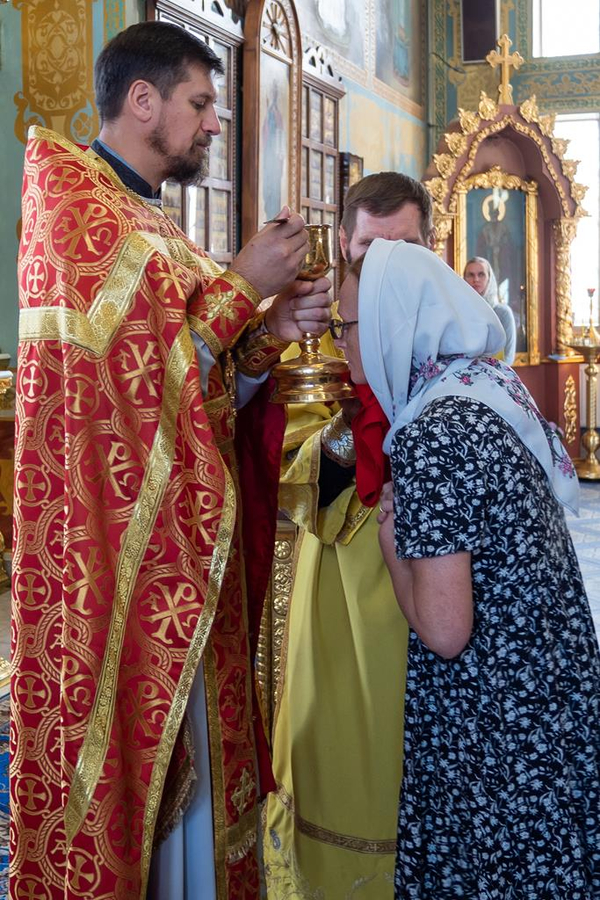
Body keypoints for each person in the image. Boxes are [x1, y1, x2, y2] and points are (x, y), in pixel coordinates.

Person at [10, 21, 332, 900]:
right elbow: (131, 393)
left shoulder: (150, 219)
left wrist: (266, 334)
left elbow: (199, 387)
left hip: (186, 551)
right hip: (121, 558)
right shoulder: (71, 204)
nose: (215, 123)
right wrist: (243, 287)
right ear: (142, 100)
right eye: (201, 103)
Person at [337, 238, 600, 899]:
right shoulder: (486, 390)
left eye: (347, 328)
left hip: (491, 729)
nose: (341, 349)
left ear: (388, 325)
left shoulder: (433, 433)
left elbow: (447, 628)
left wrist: (393, 547)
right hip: (546, 707)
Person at [264, 174, 434, 898]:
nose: (387, 273)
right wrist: (360, 427)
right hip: (340, 594)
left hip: (434, 594)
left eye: (408, 252)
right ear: (342, 249)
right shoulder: (310, 361)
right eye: (370, 251)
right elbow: (298, 485)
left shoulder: (458, 359)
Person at [464, 255, 517, 364]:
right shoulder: (459, 311)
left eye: (481, 274)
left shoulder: (502, 313)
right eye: (471, 275)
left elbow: (508, 355)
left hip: (496, 374)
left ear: (489, 278)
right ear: (464, 279)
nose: (476, 279)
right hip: (464, 375)